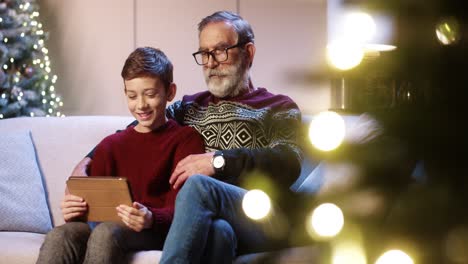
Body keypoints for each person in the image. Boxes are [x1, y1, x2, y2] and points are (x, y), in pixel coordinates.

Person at [72, 11, 302, 263]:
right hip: (212, 220)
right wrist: (85, 162)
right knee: (219, 234)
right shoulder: (189, 107)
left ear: (248, 53)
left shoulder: (278, 107)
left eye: (221, 50)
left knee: (198, 185)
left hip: (261, 217)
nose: (211, 62)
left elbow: (289, 161)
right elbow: (135, 128)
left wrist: (217, 162)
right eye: (204, 53)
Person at [36, 47, 205, 264]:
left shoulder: (186, 140)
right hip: (107, 226)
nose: (141, 105)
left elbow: (186, 207)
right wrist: (74, 210)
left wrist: (152, 217)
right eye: (132, 96)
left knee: (107, 232)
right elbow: (91, 208)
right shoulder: (111, 145)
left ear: (169, 92)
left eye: (150, 94)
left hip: (155, 229)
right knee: (60, 235)